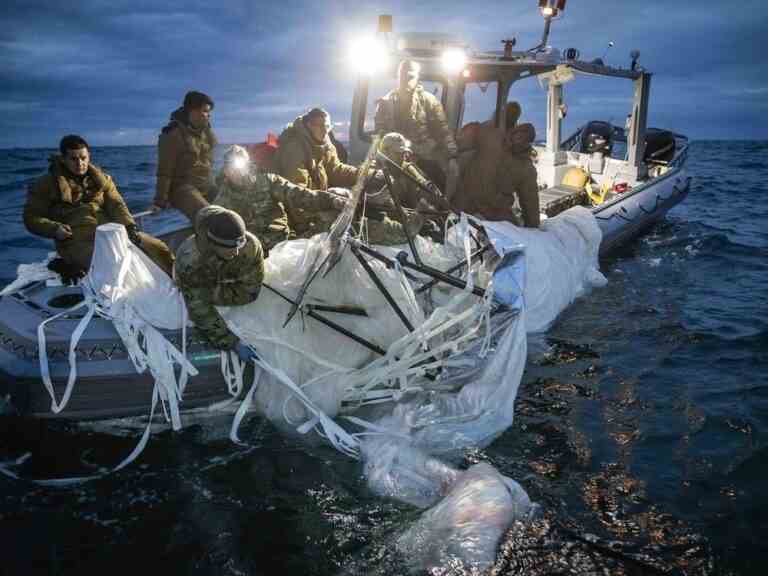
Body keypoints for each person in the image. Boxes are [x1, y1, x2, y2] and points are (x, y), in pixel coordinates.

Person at [24, 134, 175, 281]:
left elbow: (117, 205)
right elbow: (31, 217)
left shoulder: (103, 179)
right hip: (76, 240)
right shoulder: (46, 184)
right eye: (73, 159)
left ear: (89, 156)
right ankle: (66, 264)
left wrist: (130, 227)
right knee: (112, 266)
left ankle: (180, 282)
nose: (80, 163)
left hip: (111, 232)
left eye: (83, 158)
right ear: (63, 159)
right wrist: (54, 229)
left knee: (157, 247)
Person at [214, 145, 349, 252]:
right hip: (251, 254)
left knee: (331, 222)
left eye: (240, 166)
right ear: (225, 171)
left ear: (248, 166)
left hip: (283, 245)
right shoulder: (222, 200)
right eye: (230, 167)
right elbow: (216, 230)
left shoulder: (268, 181)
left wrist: (331, 200)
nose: (236, 172)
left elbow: (300, 195)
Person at [174, 206, 264, 351]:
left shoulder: (250, 246)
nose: (236, 252)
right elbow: (200, 308)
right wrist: (232, 342)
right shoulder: (189, 261)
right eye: (229, 247)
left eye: (238, 244)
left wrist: (221, 288)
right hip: (197, 279)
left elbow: (250, 291)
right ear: (213, 243)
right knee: (195, 302)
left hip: (221, 277)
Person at [272, 108, 365, 237]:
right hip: (300, 215)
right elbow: (297, 196)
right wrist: (317, 217)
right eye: (320, 126)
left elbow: (336, 169)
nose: (325, 130)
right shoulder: (294, 149)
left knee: (356, 211)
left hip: (317, 202)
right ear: (309, 125)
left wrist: (363, 174)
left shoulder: (324, 142)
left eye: (327, 126)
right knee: (351, 222)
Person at [374, 59, 458, 188]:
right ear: (398, 77)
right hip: (395, 159)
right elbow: (379, 136)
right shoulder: (385, 103)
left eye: (410, 76)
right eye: (403, 76)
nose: (406, 80)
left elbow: (443, 132)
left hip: (425, 158)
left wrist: (452, 157)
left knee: (436, 184)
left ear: (417, 77)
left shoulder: (429, 101)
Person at [455, 123, 540, 228]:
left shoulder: (527, 169)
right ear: (514, 131)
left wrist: (533, 226)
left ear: (528, 143)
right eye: (519, 134)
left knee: (514, 233)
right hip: (465, 201)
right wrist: (457, 143)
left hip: (494, 213)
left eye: (524, 138)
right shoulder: (492, 136)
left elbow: (530, 201)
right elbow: (473, 129)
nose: (519, 139)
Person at [152, 91, 218, 220]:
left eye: (209, 112)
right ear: (192, 111)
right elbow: (164, 171)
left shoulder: (205, 131)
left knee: (234, 203)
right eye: (204, 111)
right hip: (182, 189)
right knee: (209, 216)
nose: (208, 116)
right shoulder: (172, 135)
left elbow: (211, 151)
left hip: (205, 185)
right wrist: (159, 202)